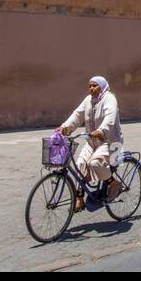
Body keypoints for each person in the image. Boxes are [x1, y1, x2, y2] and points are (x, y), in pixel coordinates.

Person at [56, 76, 124, 210]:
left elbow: (110, 117)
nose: (91, 88)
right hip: (91, 142)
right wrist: (65, 127)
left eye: (95, 85)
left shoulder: (109, 98)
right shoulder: (88, 100)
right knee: (80, 164)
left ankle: (114, 183)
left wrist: (101, 130)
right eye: (90, 86)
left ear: (102, 86)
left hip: (109, 141)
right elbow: (77, 115)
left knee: (94, 163)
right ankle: (79, 198)